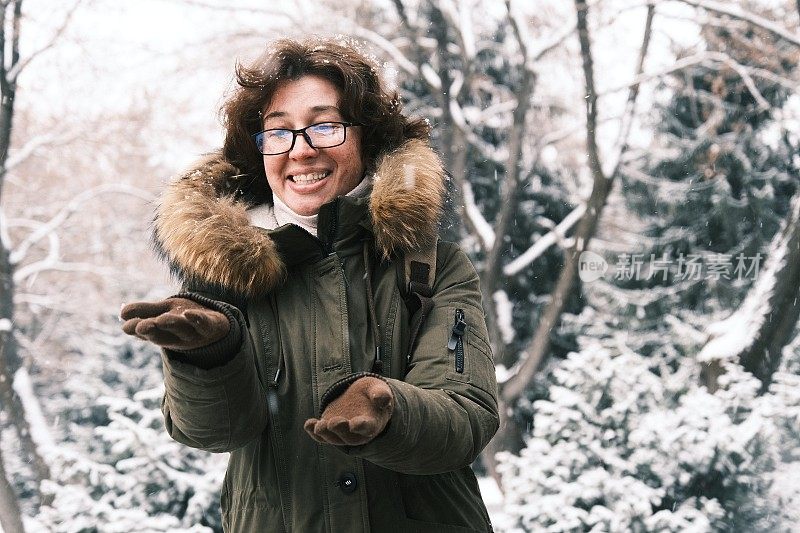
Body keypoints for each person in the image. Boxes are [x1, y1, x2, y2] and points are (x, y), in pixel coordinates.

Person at [120, 37, 499, 533]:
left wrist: (389, 407)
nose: (301, 151)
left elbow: (465, 418)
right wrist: (209, 358)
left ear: (367, 137)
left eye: (325, 126)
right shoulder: (220, 276)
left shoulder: (431, 266)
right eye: (278, 133)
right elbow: (214, 433)